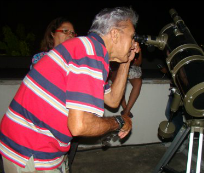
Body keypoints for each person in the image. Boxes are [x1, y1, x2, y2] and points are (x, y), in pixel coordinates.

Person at [0, 6, 139, 173]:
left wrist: (126, 62)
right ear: (115, 34)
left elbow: (113, 100)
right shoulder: (90, 53)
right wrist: (119, 122)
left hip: (37, 146)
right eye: (131, 36)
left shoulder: (88, 50)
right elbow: (79, 125)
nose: (133, 42)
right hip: (30, 150)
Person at [31, 17, 78, 173]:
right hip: (41, 131)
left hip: (66, 128)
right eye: (65, 31)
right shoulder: (41, 59)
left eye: (73, 33)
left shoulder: (75, 63)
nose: (70, 35)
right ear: (52, 34)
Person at [109, 44, 142, 118]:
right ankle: (125, 109)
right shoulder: (117, 43)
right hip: (116, 67)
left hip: (131, 67)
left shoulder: (136, 46)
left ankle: (126, 111)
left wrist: (130, 60)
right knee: (118, 82)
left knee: (138, 82)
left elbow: (139, 62)